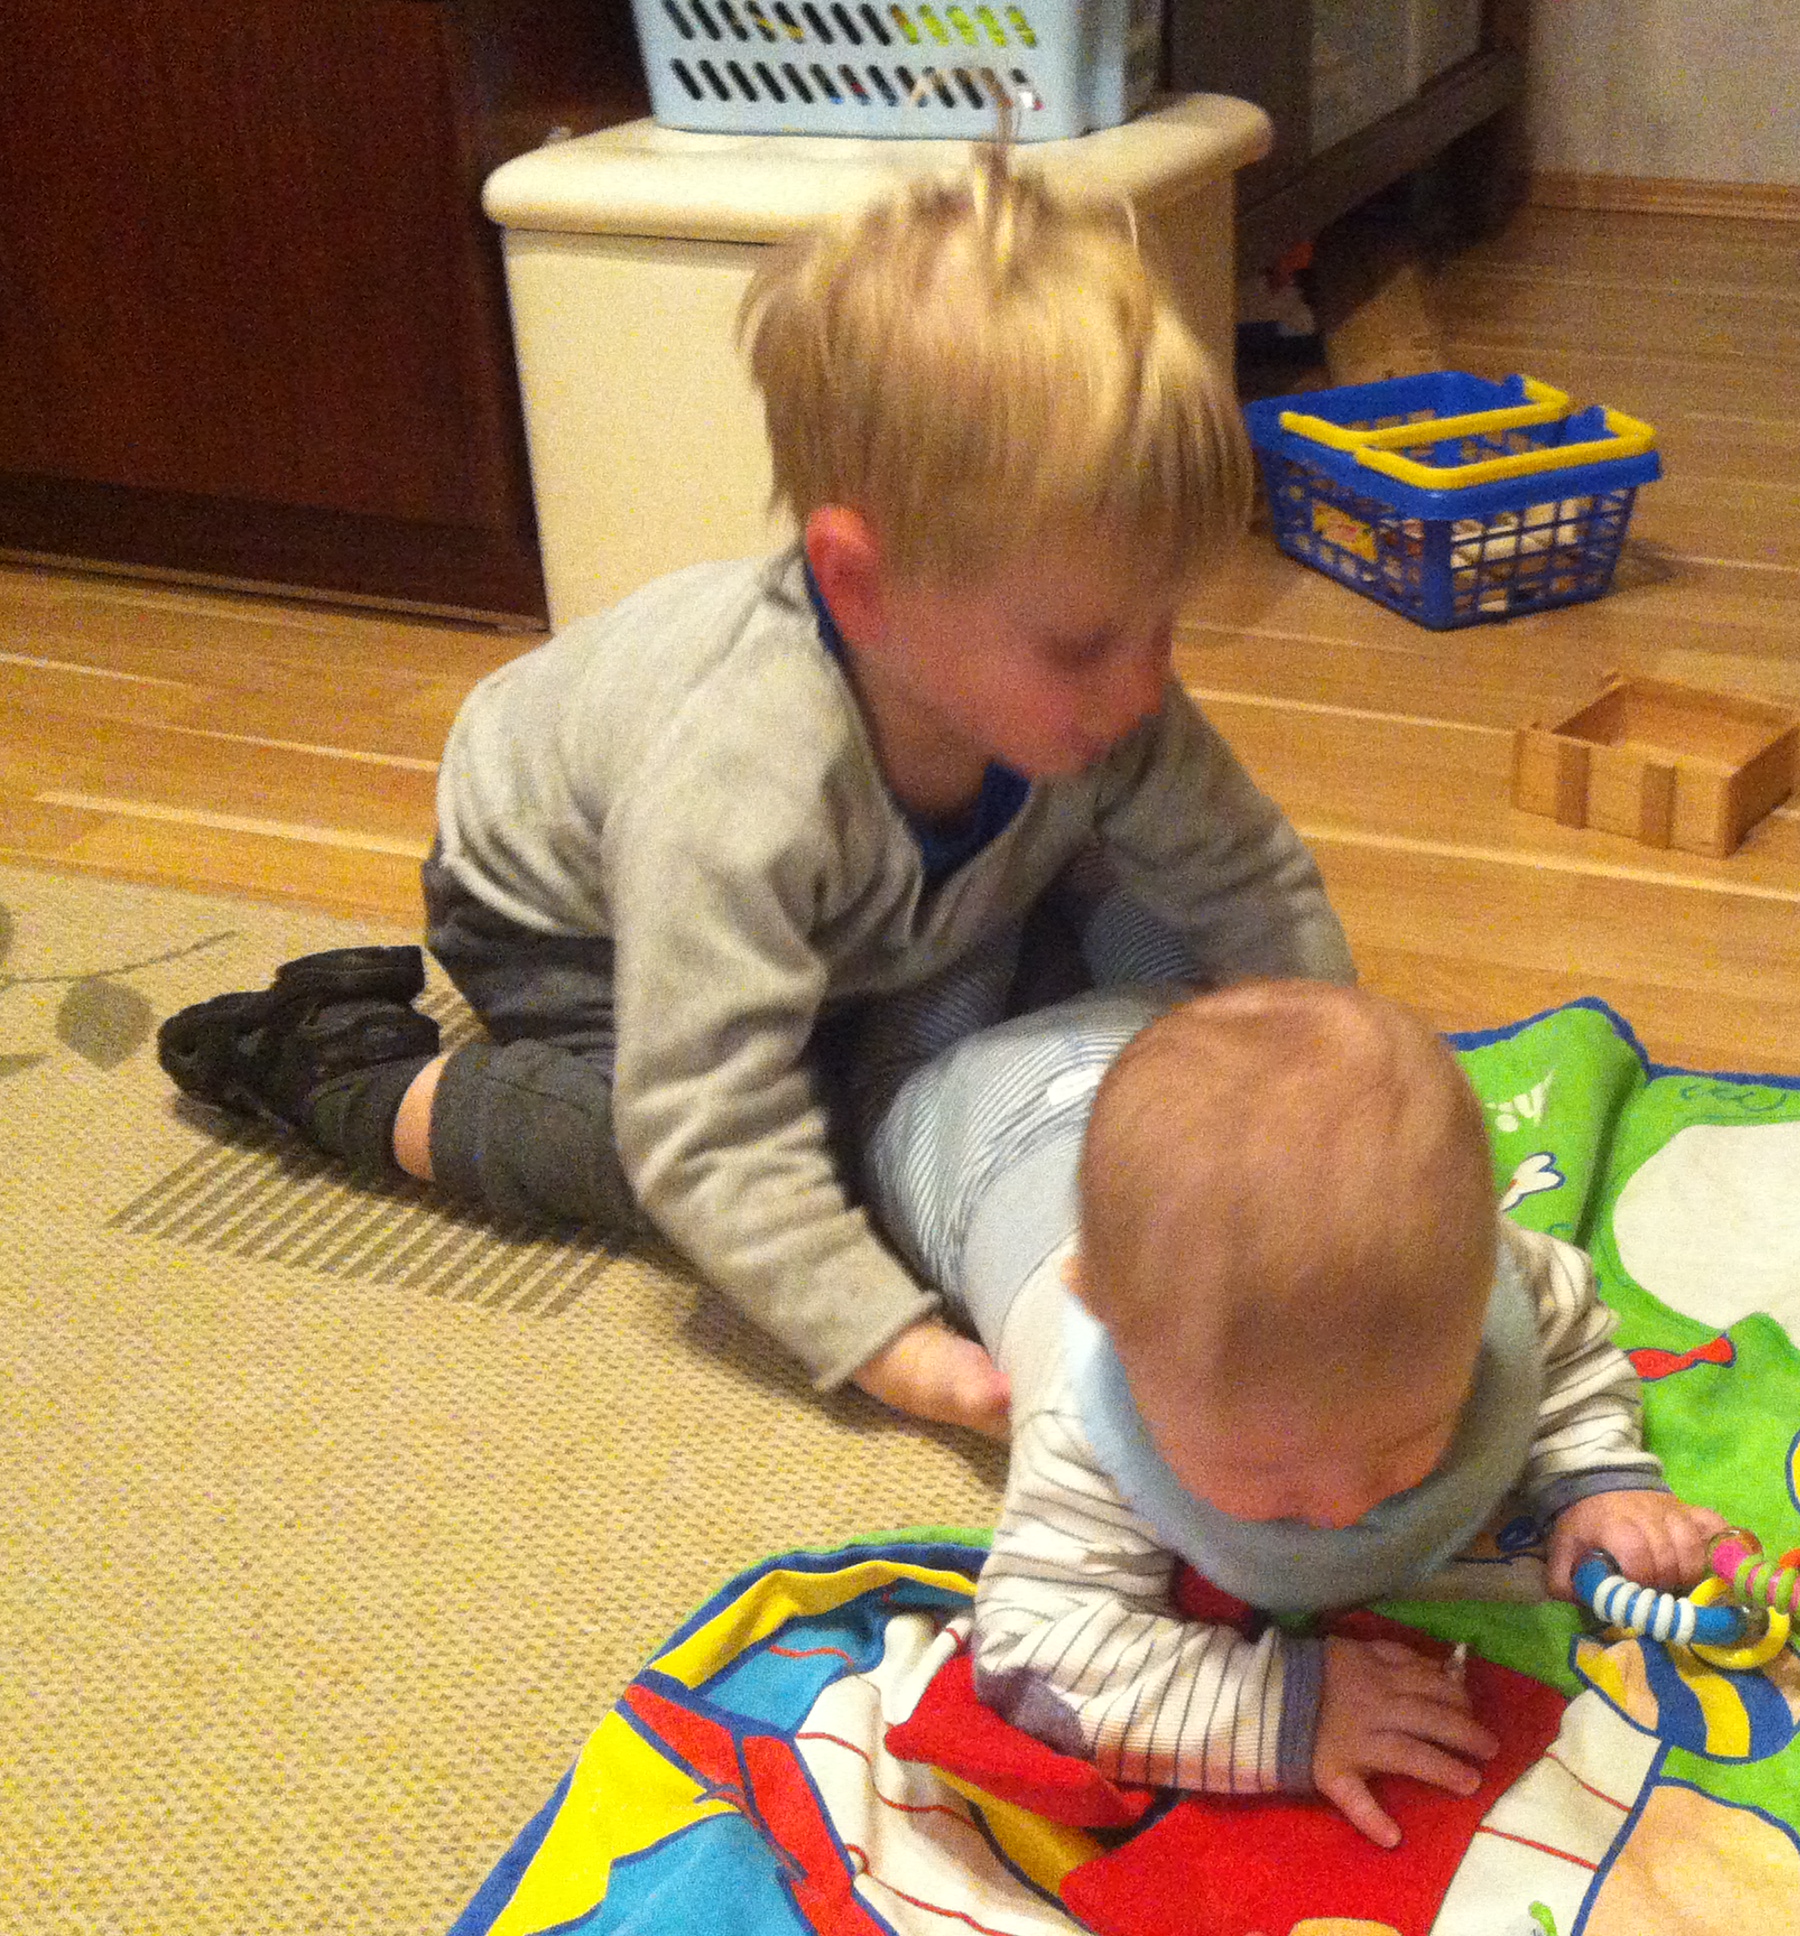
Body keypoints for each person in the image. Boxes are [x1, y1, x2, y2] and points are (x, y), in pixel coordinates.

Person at [152, 148, 1352, 1442]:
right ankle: (347, 1074)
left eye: (1164, 623)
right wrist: (886, 1340)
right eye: (1083, 645)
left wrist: (1343, 1073)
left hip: (851, 901)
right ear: (861, 586)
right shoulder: (749, 777)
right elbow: (705, 1126)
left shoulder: (1084, 679)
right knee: (770, 1155)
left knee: (1122, 955)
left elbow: (1246, 876)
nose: (1145, 684)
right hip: (569, 921)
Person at [860, 977, 1726, 1848]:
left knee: (1189, 1017)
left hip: (1130, 1026)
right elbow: (1032, 1650)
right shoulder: (1090, 1417)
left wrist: (1596, 1476)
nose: (1347, 1510)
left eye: (1400, 1442)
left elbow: (1565, 1335)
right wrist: (1284, 1712)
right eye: (1268, 1474)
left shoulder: (1481, 1280)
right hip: (960, 1147)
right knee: (883, 1059)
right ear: (1113, 1334)